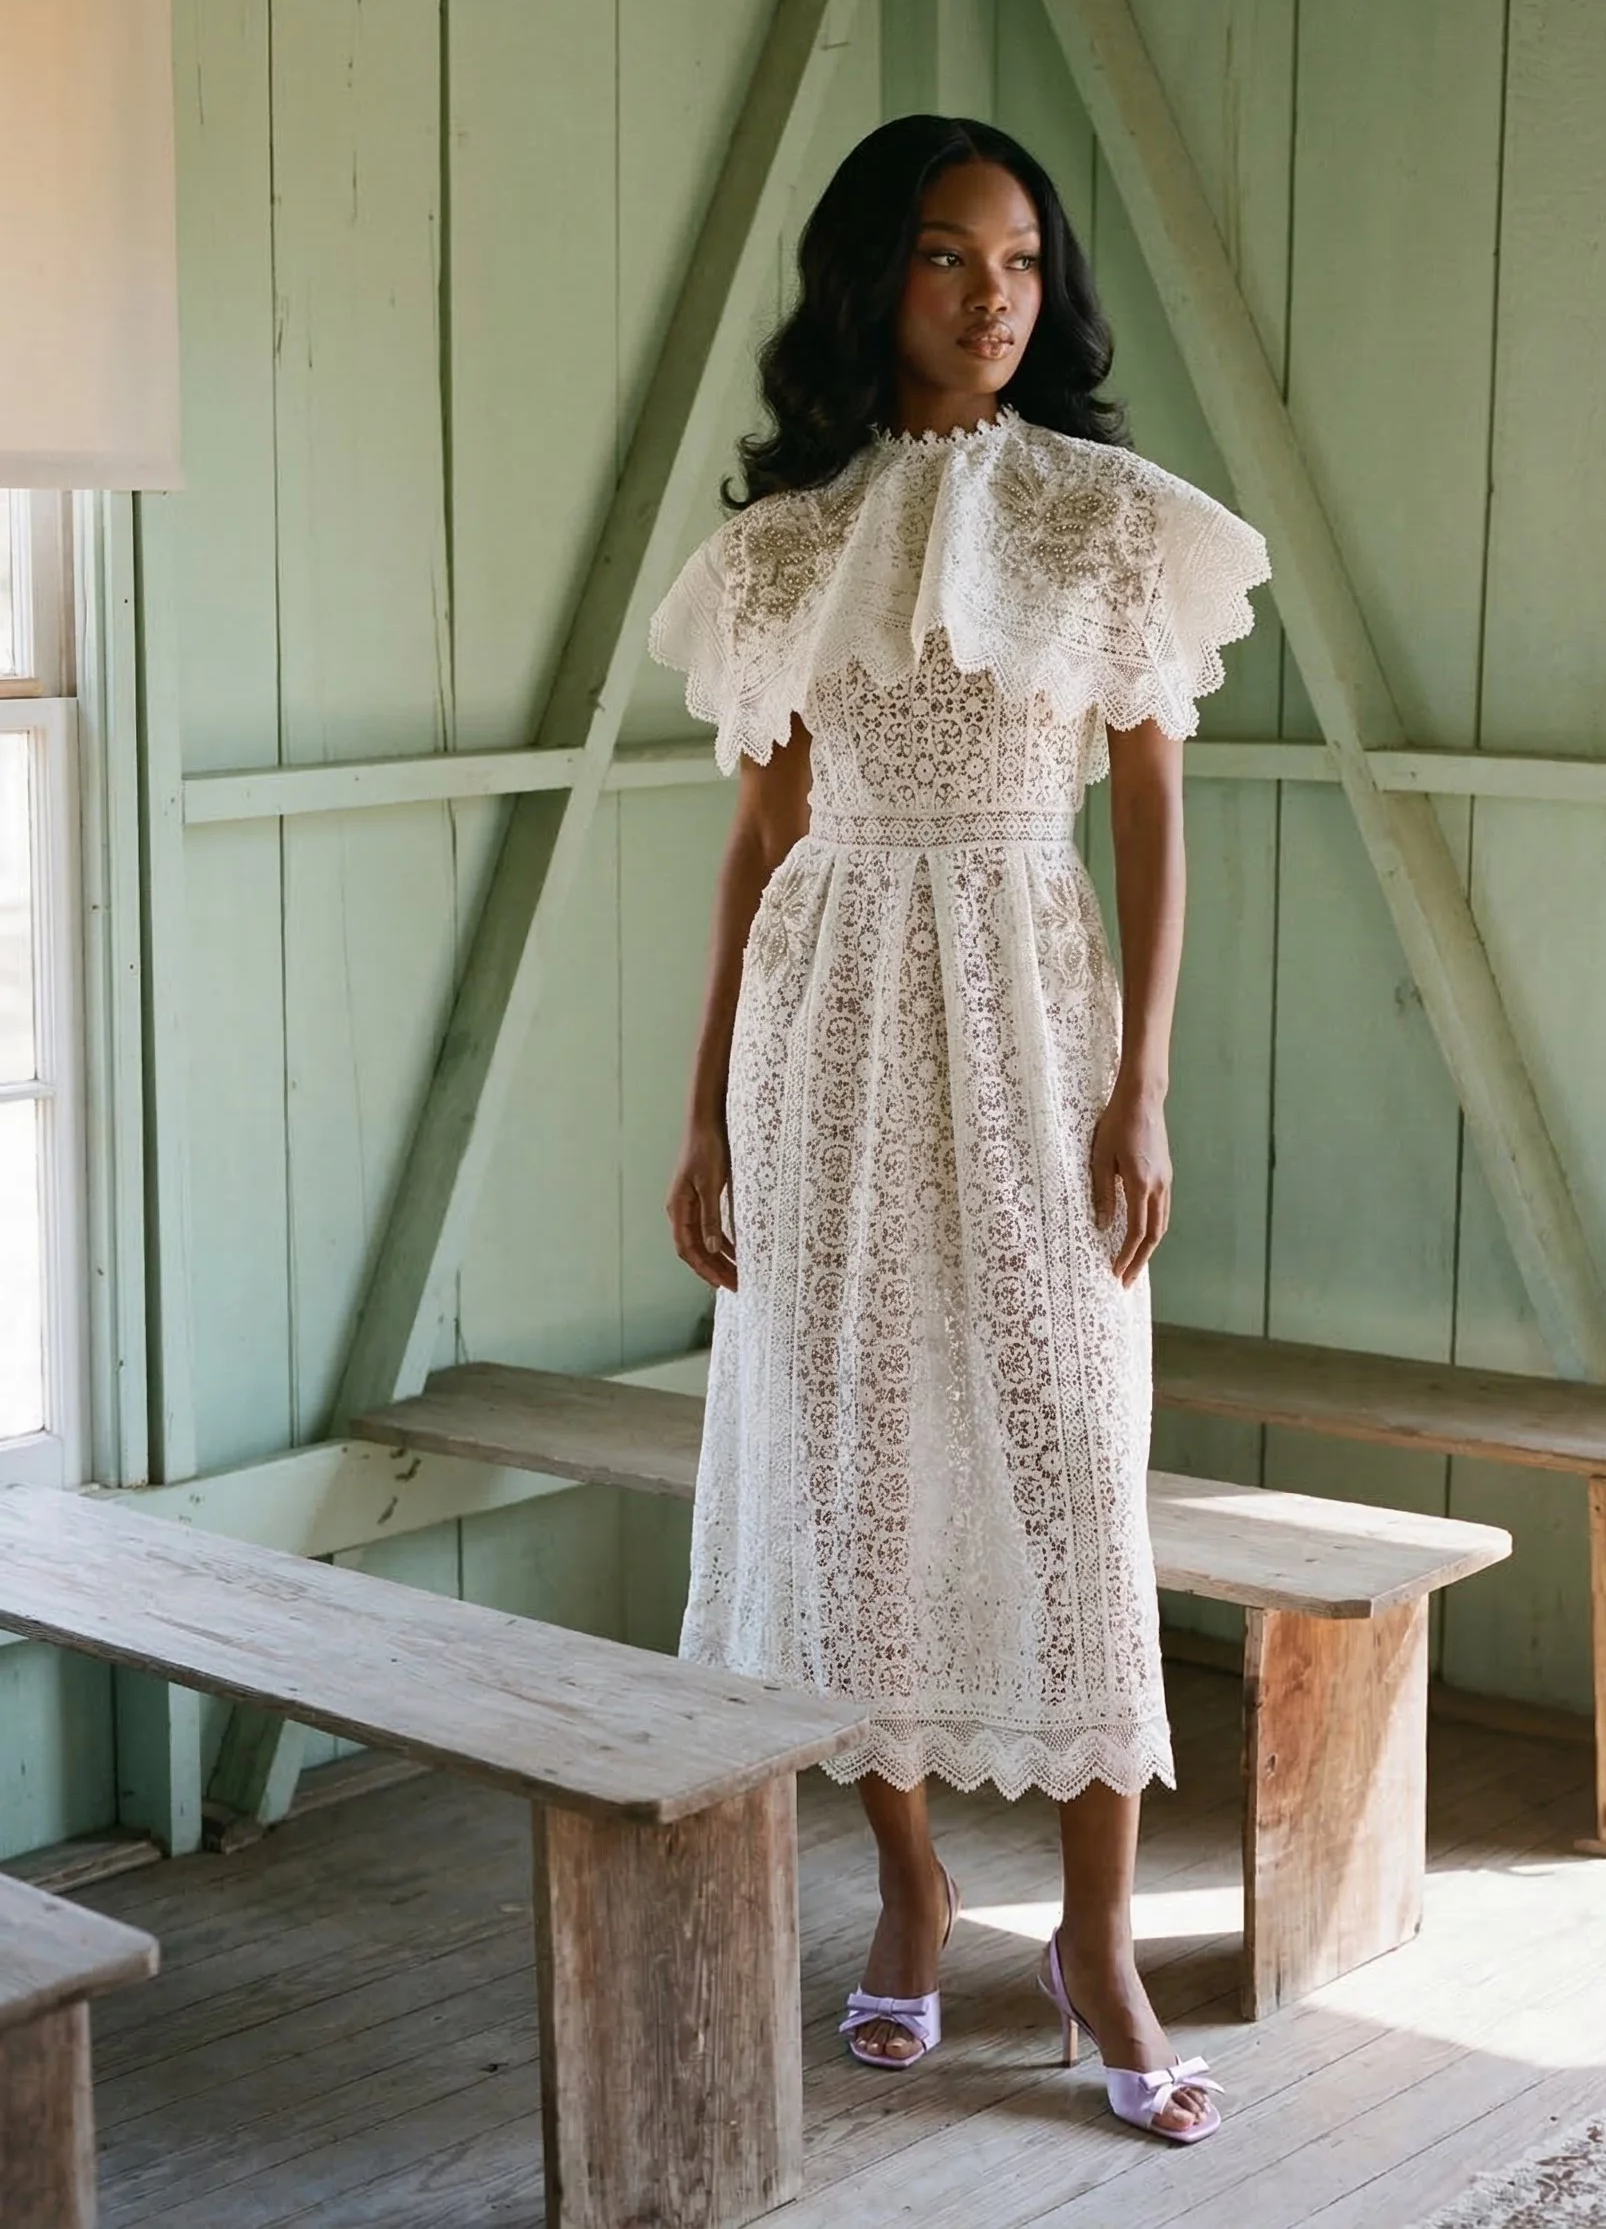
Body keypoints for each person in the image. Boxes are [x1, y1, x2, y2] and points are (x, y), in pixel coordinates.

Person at [651, 112, 1269, 2145]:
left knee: (1072, 1462)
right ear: (873, 278)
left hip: (1031, 1013)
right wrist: (702, 1108)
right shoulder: (782, 544)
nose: (990, 296)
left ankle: (1096, 1937)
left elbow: (1154, 811)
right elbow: (761, 836)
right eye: (944, 255)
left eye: (1016, 260)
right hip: (824, 1024)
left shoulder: (1106, 522)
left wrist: (1143, 1083)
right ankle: (912, 1889)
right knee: (854, 1467)